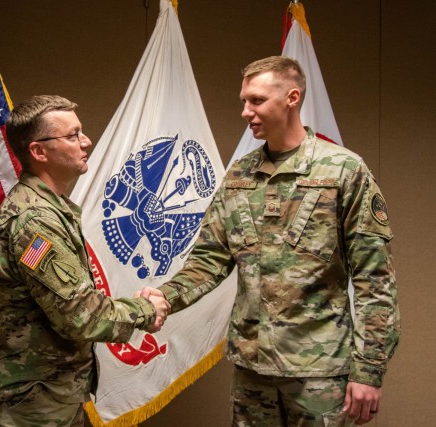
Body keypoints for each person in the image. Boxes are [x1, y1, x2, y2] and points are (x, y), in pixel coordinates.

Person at [140, 56, 400, 426]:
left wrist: (369, 371)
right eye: (244, 101)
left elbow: (375, 280)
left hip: (318, 371)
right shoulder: (240, 175)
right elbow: (210, 258)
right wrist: (166, 295)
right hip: (252, 370)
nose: (246, 111)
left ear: (292, 97)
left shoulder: (343, 170)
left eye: (257, 100)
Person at [0, 95, 170, 427]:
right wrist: (146, 311)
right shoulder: (35, 220)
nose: (86, 141)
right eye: (72, 135)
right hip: (31, 405)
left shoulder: (51, 209)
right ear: (39, 151)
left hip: (49, 395)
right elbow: (79, 316)